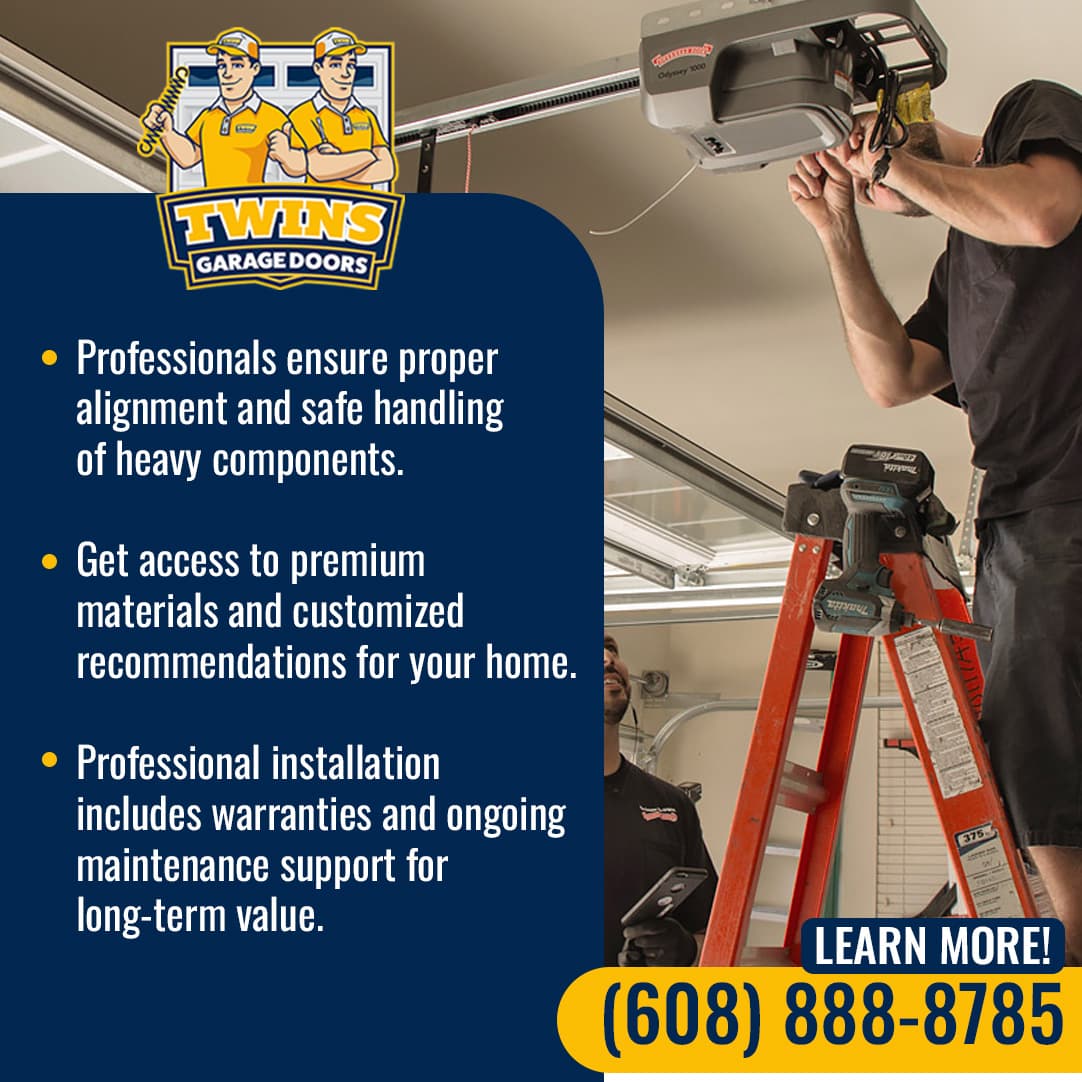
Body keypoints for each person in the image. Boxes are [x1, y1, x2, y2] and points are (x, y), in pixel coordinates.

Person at [787, 79, 1082, 964]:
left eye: (869, 152)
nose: (882, 185)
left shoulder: (1029, 120)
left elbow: (1043, 215)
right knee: (1037, 762)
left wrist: (891, 162)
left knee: (1046, 770)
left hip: (1065, 499)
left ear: (896, 125)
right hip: (1023, 515)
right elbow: (893, 377)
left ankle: (1068, 966)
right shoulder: (963, 260)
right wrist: (839, 230)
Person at [604, 634, 718, 965]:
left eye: (612, 651)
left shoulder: (671, 804)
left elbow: (714, 928)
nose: (608, 659)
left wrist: (687, 949)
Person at [143, 29, 289, 188]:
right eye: (221, 65)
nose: (227, 73)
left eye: (237, 65)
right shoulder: (209, 116)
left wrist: (287, 155)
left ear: (255, 69)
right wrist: (167, 134)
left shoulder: (271, 116)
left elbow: (300, 166)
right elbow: (189, 158)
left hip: (253, 208)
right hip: (212, 208)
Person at [267, 28, 396, 189]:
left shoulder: (366, 115)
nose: (345, 73)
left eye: (351, 64)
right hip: (321, 208)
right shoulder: (303, 114)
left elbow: (387, 169)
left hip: (366, 208)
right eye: (336, 64)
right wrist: (367, 156)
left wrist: (338, 163)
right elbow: (317, 168)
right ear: (318, 68)